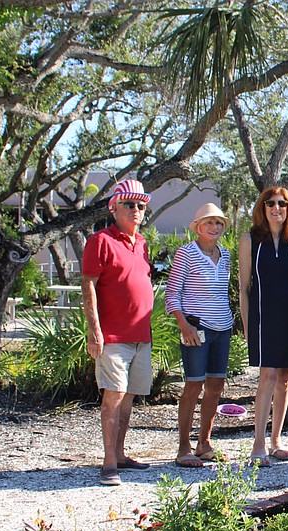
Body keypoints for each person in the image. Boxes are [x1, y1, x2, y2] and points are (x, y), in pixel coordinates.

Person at [82, 179, 154, 486]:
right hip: (112, 336)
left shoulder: (143, 244)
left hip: (141, 336)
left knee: (128, 398)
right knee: (113, 396)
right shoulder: (100, 240)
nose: (136, 210)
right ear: (114, 208)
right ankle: (108, 462)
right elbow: (88, 284)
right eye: (129, 204)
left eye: (141, 205)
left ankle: (121, 455)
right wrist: (94, 329)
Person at [239, 187, 288, 466]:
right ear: (263, 207)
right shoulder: (250, 240)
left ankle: (276, 441)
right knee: (267, 376)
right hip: (262, 318)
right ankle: (258, 445)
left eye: (282, 203)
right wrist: (247, 326)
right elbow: (244, 288)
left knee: (285, 378)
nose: (276, 207)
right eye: (270, 203)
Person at [165, 203, 234, 468]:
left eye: (218, 223)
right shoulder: (186, 253)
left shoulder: (225, 255)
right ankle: (184, 446)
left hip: (222, 327)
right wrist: (184, 325)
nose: (214, 228)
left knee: (216, 386)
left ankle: (204, 443)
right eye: (208, 223)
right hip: (196, 328)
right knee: (193, 385)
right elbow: (172, 293)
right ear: (198, 227)